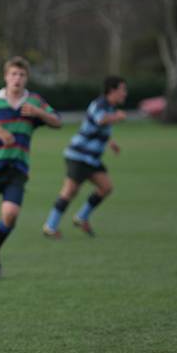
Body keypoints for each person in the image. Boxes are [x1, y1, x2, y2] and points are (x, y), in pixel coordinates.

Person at [0, 56, 61, 281]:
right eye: (13, 74)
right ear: (6, 77)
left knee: (10, 214)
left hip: (17, 169)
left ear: (26, 78)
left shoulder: (33, 102)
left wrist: (40, 114)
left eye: (22, 75)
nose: (17, 78)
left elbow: (57, 121)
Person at [43, 76, 127, 238]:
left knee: (106, 187)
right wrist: (118, 117)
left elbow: (97, 128)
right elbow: (100, 120)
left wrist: (110, 142)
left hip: (91, 159)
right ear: (112, 91)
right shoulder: (100, 104)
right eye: (122, 90)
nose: (125, 93)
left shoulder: (109, 107)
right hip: (79, 155)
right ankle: (50, 226)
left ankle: (81, 217)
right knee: (70, 191)